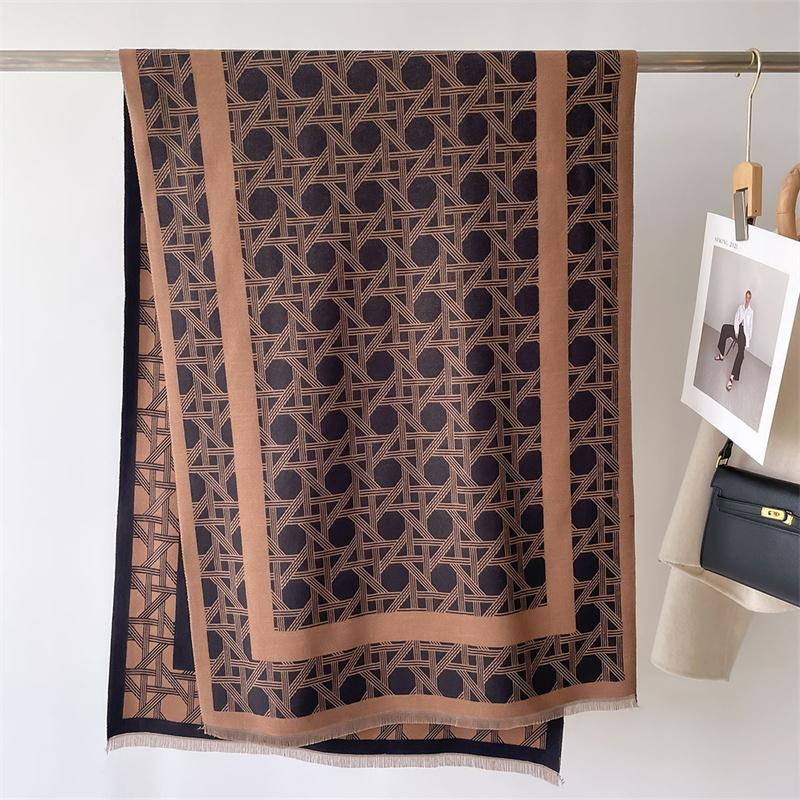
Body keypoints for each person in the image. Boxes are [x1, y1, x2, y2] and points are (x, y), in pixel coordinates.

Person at [714, 290, 754, 391]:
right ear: (745, 297)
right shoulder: (740, 307)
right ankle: (722, 355)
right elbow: (736, 318)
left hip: (744, 334)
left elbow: (750, 327)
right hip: (737, 329)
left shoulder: (751, 312)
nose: (747, 299)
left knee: (741, 354)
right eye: (746, 297)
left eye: (749, 298)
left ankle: (732, 378)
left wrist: (747, 340)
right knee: (725, 328)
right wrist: (736, 331)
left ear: (750, 299)